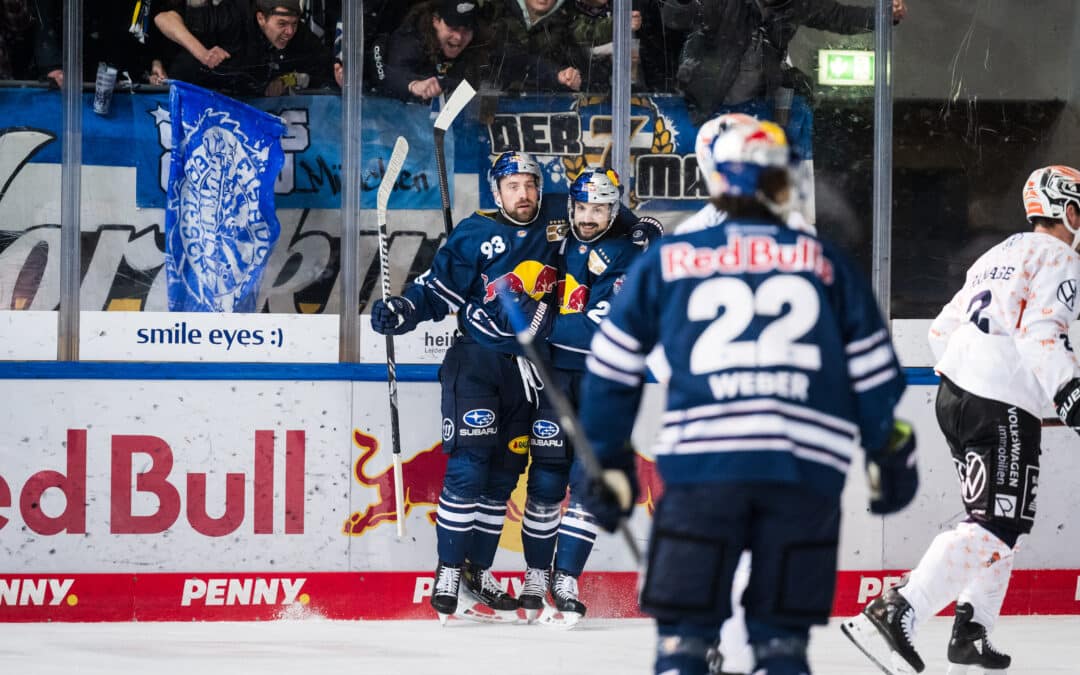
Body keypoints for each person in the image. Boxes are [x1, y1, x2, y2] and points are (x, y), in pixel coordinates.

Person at [575, 113, 918, 675]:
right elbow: (876, 374)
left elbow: (612, 369)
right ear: (781, 178)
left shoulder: (672, 256)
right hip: (805, 471)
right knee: (782, 645)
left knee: (685, 643)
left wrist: (606, 463)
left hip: (702, 470)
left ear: (714, 177)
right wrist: (890, 452)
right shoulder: (824, 260)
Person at [842, 165, 1080, 675]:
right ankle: (898, 608)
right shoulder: (1059, 257)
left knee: (997, 521)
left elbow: (942, 329)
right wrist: (1069, 395)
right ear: (1068, 210)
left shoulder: (1000, 253)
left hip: (958, 394)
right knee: (999, 522)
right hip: (998, 401)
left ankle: (972, 630)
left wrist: (975, 375)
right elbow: (1043, 332)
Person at [371, 151, 561, 623]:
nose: (524, 193)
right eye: (513, 186)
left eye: (530, 184)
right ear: (497, 192)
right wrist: (404, 311)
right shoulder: (474, 232)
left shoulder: (560, 219)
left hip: (527, 371)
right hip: (476, 363)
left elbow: (605, 218)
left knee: (503, 477)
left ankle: (479, 570)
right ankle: (448, 571)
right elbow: (438, 290)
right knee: (469, 469)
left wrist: (637, 229)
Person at [515, 169, 660, 625]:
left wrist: (538, 324)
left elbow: (598, 330)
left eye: (600, 209)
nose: (589, 217)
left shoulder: (627, 252)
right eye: (582, 208)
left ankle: (567, 578)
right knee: (544, 482)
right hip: (554, 380)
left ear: (612, 210)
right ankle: (536, 575)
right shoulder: (557, 232)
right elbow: (527, 205)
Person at [370, 0, 487, 103]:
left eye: (467, 30)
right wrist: (413, 85)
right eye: (453, 28)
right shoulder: (411, 40)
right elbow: (389, 75)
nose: (459, 37)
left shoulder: (478, 45)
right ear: (435, 21)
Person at [485, 0, 587, 93]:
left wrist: (570, 76)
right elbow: (507, 56)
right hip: (490, 98)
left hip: (549, 104)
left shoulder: (574, 20)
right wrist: (555, 74)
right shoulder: (495, 10)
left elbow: (583, 68)